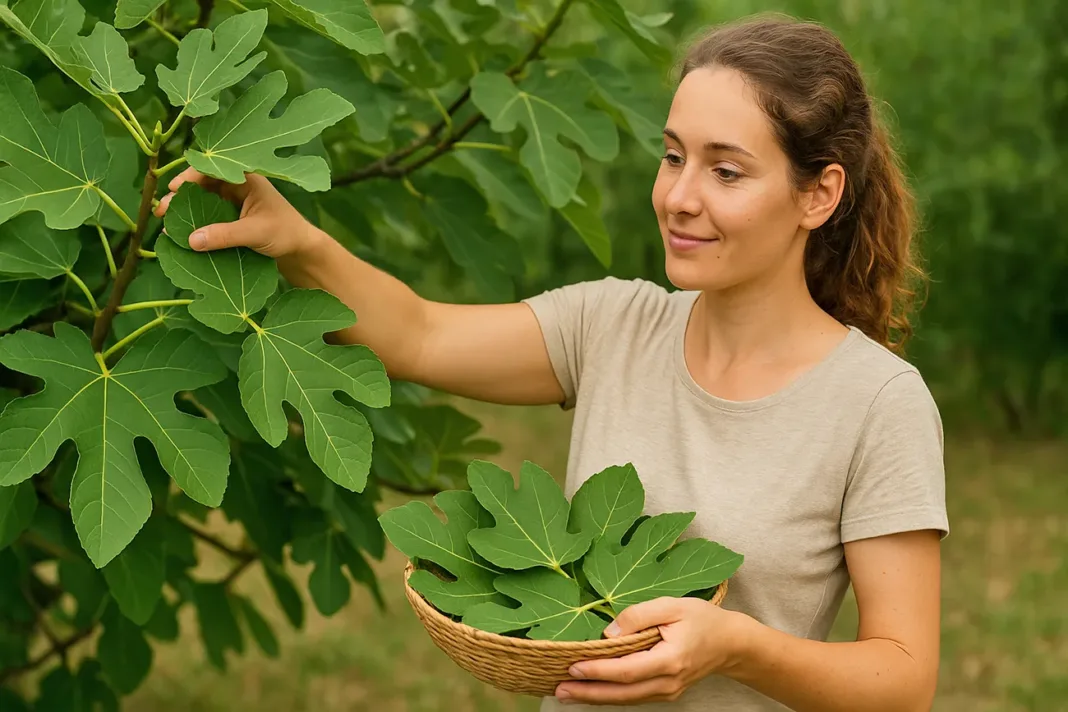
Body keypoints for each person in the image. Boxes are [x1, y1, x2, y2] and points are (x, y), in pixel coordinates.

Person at [155, 13, 949, 712]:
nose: (679, 196)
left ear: (819, 195)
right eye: (673, 157)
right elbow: (418, 335)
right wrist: (297, 240)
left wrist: (737, 647)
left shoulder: (878, 402)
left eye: (726, 170)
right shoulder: (614, 325)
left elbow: (903, 681)